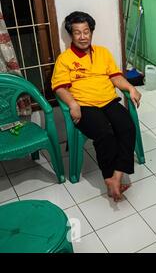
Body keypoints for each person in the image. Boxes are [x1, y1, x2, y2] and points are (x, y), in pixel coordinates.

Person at [51, 11, 142, 202]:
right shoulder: (65, 59)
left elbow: (116, 77)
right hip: (84, 106)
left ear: (91, 32)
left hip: (108, 101)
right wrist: (72, 103)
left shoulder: (102, 53)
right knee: (105, 133)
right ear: (71, 35)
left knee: (127, 126)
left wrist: (130, 88)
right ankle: (108, 176)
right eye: (77, 32)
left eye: (86, 31)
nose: (83, 36)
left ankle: (116, 176)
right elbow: (59, 88)